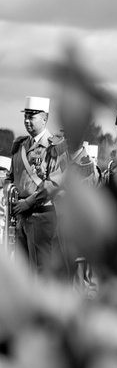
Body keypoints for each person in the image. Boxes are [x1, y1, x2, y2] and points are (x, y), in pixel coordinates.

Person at [10, 97, 65, 274]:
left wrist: (29, 202)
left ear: (45, 118)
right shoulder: (20, 146)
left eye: (32, 116)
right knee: (22, 270)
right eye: (26, 116)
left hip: (42, 215)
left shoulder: (55, 147)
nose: (27, 120)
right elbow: (10, 177)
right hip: (20, 215)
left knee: (41, 270)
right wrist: (9, 194)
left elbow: (55, 181)